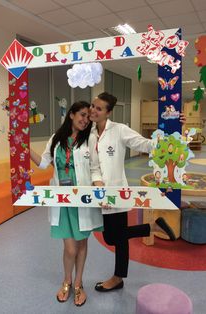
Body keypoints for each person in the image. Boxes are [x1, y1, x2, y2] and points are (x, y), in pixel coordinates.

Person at [89, 92, 186, 292]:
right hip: (100, 193)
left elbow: (146, 144)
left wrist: (175, 128)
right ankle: (151, 227)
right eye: (93, 106)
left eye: (99, 108)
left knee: (118, 238)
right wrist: (98, 185)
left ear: (108, 113)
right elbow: (93, 164)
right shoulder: (89, 133)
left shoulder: (119, 130)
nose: (93, 110)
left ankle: (118, 278)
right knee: (111, 237)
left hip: (118, 192)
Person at [30, 101, 103, 306]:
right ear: (71, 115)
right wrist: (23, 148)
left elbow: (95, 168)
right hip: (62, 200)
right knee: (70, 248)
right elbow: (44, 163)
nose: (85, 119)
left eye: (88, 116)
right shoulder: (56, 139)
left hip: (83, 199)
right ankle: (66, 281)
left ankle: (78, 284)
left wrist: (100, 189)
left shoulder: (90, 139)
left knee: (81, 244)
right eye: (81, 114)